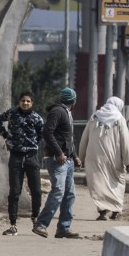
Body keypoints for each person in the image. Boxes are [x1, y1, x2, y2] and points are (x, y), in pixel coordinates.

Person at [0, 91, 45, 236]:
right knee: (14, 191)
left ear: (32, 103)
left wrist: (32, 144)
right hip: (16, 156)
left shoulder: (37, 118)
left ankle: (35, 218)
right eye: (23, 101)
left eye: (28, 101)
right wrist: (6, 135)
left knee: (36, 191)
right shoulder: (12, 114)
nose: (25, 103)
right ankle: (13, 225)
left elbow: (41, 134)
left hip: (31, 157)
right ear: (19, 102)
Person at [34, 87, 82, 239]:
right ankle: (41, 224)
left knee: (69, 194)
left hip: (68, 160)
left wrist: (74, 156)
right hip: (58, 160)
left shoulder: (66, 113)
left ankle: (63, 228)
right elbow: (47, 132)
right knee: (58, 191)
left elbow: (68, 138)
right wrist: (58, 152)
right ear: (74, 101)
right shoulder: (58, 112)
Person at [80, 96, 129, 221]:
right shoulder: (119, 119)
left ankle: (102, 212)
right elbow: (125, 141)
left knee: (98, 184)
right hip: (114, 159)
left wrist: (81, 157)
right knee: (116, 183)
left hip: (95, 158)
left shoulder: (94, 117)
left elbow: (84, 138)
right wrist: (128, 161)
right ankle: (116, 210)